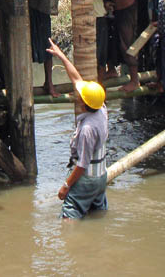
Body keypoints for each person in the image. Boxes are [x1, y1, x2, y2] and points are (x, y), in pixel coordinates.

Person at [46, 38, 108, 220]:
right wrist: (62, 56)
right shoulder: (101, 109)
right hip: (101, 177)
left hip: (87, 180)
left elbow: (82, 164)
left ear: (83, 102)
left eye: (80, 95)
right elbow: (76, 78)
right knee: (97, 217)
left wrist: (66, 185)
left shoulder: (87, 129)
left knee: (69, 216)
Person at [20, 0, 57, 97]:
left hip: (42, 8)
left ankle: (49, 83)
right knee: (26, 46)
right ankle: (25, 85)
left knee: (48, 45)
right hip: (28, 8)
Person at [107, 0, 140, 92]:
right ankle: (111, 69)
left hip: (127, 11)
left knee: (127, 44)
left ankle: (134, 80)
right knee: (111, 41)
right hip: (117, 11)